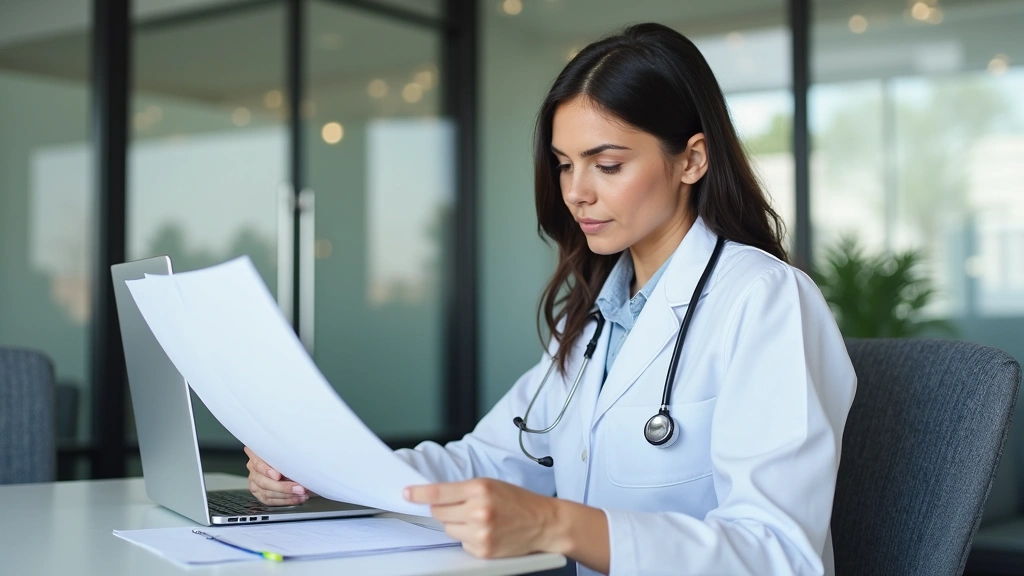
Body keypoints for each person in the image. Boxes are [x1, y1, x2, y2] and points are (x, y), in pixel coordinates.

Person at [245, 23, 856, 576]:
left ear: (691, 159)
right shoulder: (594, 313)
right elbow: (491, 462)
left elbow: (781, 555)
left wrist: (555, 524)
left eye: (607, 164)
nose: (577, 193)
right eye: (565, 165)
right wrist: (330, 474)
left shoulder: (764, 299)